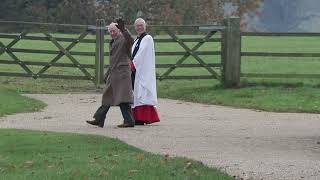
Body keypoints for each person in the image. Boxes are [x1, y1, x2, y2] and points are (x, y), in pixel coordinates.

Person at [86, 18, 135, 128]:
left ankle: (129, 121)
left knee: (123, 99)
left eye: (114, 31)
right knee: (107, 97)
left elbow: (131, 41)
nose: (112, 33)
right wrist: (107, 74)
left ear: (118, 30)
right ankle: (99, 119)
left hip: (122, 74)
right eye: (110, 31)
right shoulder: (113, 41)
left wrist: (124, 29)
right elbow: (114, 60)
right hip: (114, 74)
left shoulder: (123, 39)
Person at [129, 18, 160, 125]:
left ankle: (144, 118)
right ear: (135, 27)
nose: (139, 27)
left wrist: (133, 63)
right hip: (137, 71)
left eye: (141, 25)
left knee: (143, 93)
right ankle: (137, 118)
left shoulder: (148, 38)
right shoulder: (137, 40)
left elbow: (141, 53)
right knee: (137, 94)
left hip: (143, 71)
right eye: (137, 25)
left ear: (145, 26)